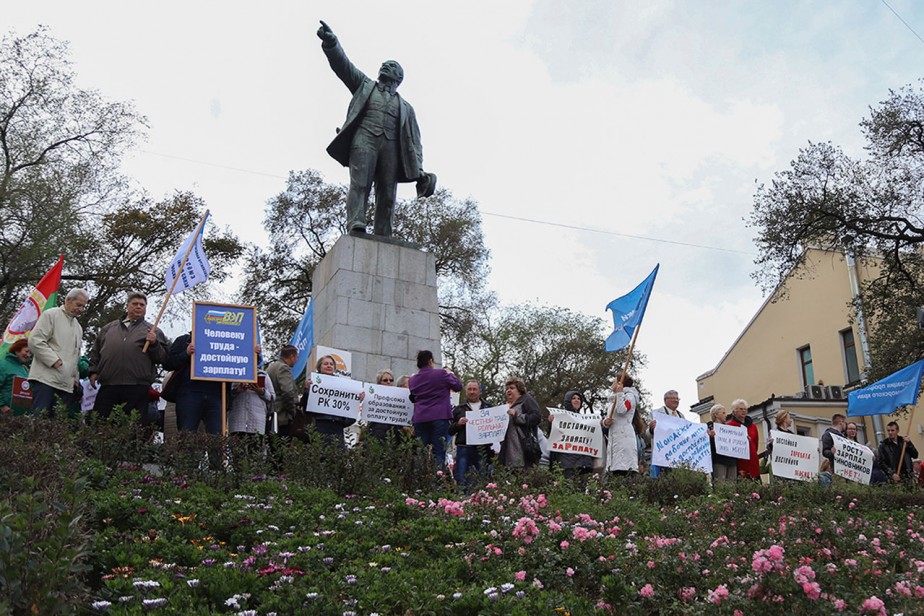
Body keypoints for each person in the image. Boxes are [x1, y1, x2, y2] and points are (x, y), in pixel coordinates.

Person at [316, 20, 434, 237]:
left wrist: (419, 169)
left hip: (391, 148)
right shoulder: (364, 85)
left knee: (388, 194)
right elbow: (344, 67)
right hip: (364, 139)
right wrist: (332, 45)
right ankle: (356, 223)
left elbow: (415, 142)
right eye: (383, 64)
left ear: (399, 77)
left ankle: (383, 232)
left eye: (391, 66)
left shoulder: (406, 108)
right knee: (360, 184)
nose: (384, 66)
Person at [88, 292, 169, 424]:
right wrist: (93, 372)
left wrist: (154, 344)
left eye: (142, 305)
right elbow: (95, 352)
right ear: (127, 306)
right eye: (135, 304)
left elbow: (163, 358)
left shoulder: (153, 331)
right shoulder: (108, 329)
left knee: (134, 427)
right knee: (101, 425)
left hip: (137, 387)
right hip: (109, 385)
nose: (138, 307)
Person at [27, 288, 88, 416]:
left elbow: (74, 356)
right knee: (39, 420)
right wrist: (54, 361)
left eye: (83, 306)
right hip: (46, 380)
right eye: (78, 305)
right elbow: (35, 341)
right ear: (68, 300)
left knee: (57, 428)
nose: (81, 309)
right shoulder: (51, 315)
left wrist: (75, 381)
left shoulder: (78, 327)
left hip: (66, 385)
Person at [409, 350, 462, 470]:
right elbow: (458, 386)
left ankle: (421, 480)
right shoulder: (441, 374)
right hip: (439, 417)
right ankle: (437, 480)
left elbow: (413, 395)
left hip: (420, 418)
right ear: (430, 361)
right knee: (438, 451)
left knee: (421, 451)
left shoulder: (412, 380)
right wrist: (450, 374)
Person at [163, 333, 225, 435]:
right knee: (187, 436)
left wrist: (254, 354)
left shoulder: (226, 341)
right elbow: (168, 363)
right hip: (189, 394)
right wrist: (186, 353)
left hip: (216, 394)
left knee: (217, 438)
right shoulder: (183, 340)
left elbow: (242, 360)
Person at [449, 379, 490, 487]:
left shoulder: (489, 408)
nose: (472, 392)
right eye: (469, 389)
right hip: (464, 447)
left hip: (483, 448)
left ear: (479, 391)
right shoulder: (458, 409)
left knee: (483, 478)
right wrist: (458, 424)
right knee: (461, 478)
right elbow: (450, 430)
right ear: (465, 391)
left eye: (474, 389)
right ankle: (461, 499)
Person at [307, 354, 355, 447]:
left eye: (331, 364)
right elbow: (306, 408)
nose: (329, 366)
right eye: (325, 364)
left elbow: (350, 415)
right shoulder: (312, 384)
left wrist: (356, 400)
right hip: (319, 427)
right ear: (319, 367)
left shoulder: (343, 387)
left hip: (336, 429)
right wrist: (307, 392)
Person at [550, 390, 595, 479]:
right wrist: (551, 423)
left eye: (579, 398)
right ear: (568, 401)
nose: (577, 400)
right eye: (573, 398)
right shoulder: (560, 417)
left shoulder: (585, 420)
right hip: (567, 462)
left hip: (583, 463)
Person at [497, 376, 541, 470]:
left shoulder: (527, 400)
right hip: (508, 454)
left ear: (519, 390)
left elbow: (536, 418)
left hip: (523, 451)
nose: (508, 390)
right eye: (507, 389)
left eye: (512, 388)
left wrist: (517, 416)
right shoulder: (506, 406)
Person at [228, 369, 275, 448]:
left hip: (256, 423)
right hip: (237, 423)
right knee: (238, 455)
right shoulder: (233, 372)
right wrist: (236, 391)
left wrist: (261, 391)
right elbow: (224, 396)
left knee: (254, 454)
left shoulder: (262, 375)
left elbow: (272, 397)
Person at [603, 374, 640, 475]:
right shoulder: (613, 399)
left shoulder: (630, 396)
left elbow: (621, 410)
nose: (612, 383)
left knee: (623, 468)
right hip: (613, 438)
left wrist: (619, 394)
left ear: (620, 383)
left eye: (614, 381)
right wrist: (605, 422)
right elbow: (610, 418)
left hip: (624, 438)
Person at [266, 345, 299, 438]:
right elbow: (288, 392)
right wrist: (293, 412)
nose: (296, 360)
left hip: (272, 415)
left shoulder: (272, 367)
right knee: (282, 447)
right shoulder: (284, 368)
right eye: (296, 357)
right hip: (282, 416)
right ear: (292, 356)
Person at [648, 389, 683, 476]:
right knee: (663, 476)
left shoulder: (681, 416)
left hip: (677, 454)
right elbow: (647, 434)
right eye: (673, 398)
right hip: (662, 453)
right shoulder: (656, 413)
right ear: (665, 400)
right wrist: (651, 429)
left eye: (677, 399)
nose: (676, 400)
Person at [726, 398, 759, 480]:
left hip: (752, 462)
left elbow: (756, 444)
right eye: (741, 409)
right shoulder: (729, 427)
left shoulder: (753, 426)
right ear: (734, 411)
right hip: (739, 463)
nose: (743, 411)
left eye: (745, 409)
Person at [367, 369, 403, 441]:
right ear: (379, 382)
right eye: (385, 380)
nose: (389, 382)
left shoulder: (399, 398)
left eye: (391, 380)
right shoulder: (372, 397)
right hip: (376, 435)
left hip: (393, 436)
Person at [706, 403, 737, 483]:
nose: (726, 415)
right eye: (723, 413)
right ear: (716, 415)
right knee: (720, 483)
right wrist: (711, 437)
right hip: (719, 460)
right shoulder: (709, 427)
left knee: (732, 484)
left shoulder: (729, 429)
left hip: (731, 460)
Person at [0, 339, 31, 414]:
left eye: (29, 352)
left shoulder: (24, 369)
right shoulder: (3, 365)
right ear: (17, 350)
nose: (28, 355)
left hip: (19, 414)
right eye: (26, 351)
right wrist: (2, 406)